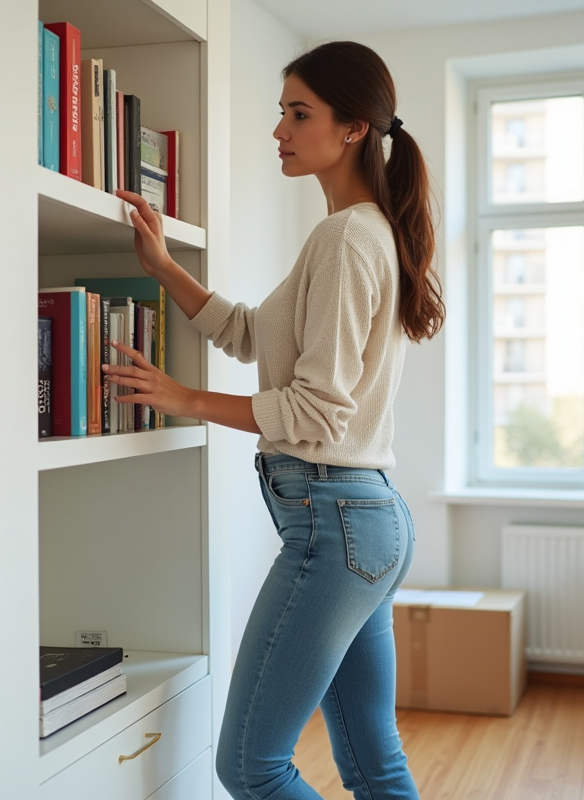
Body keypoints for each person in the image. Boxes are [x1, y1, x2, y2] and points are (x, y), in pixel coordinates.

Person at [106, 40, 444, 800]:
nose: (279, 130)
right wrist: (165, 268)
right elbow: (251, 334)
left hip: (338, 526)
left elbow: (316, 414)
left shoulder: (350, 236)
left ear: (353, 128)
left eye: (300, 113)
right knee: (373, 761)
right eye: (281, 112)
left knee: (251, 768)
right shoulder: (357, 233)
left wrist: (184, 399)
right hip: (366, 522)